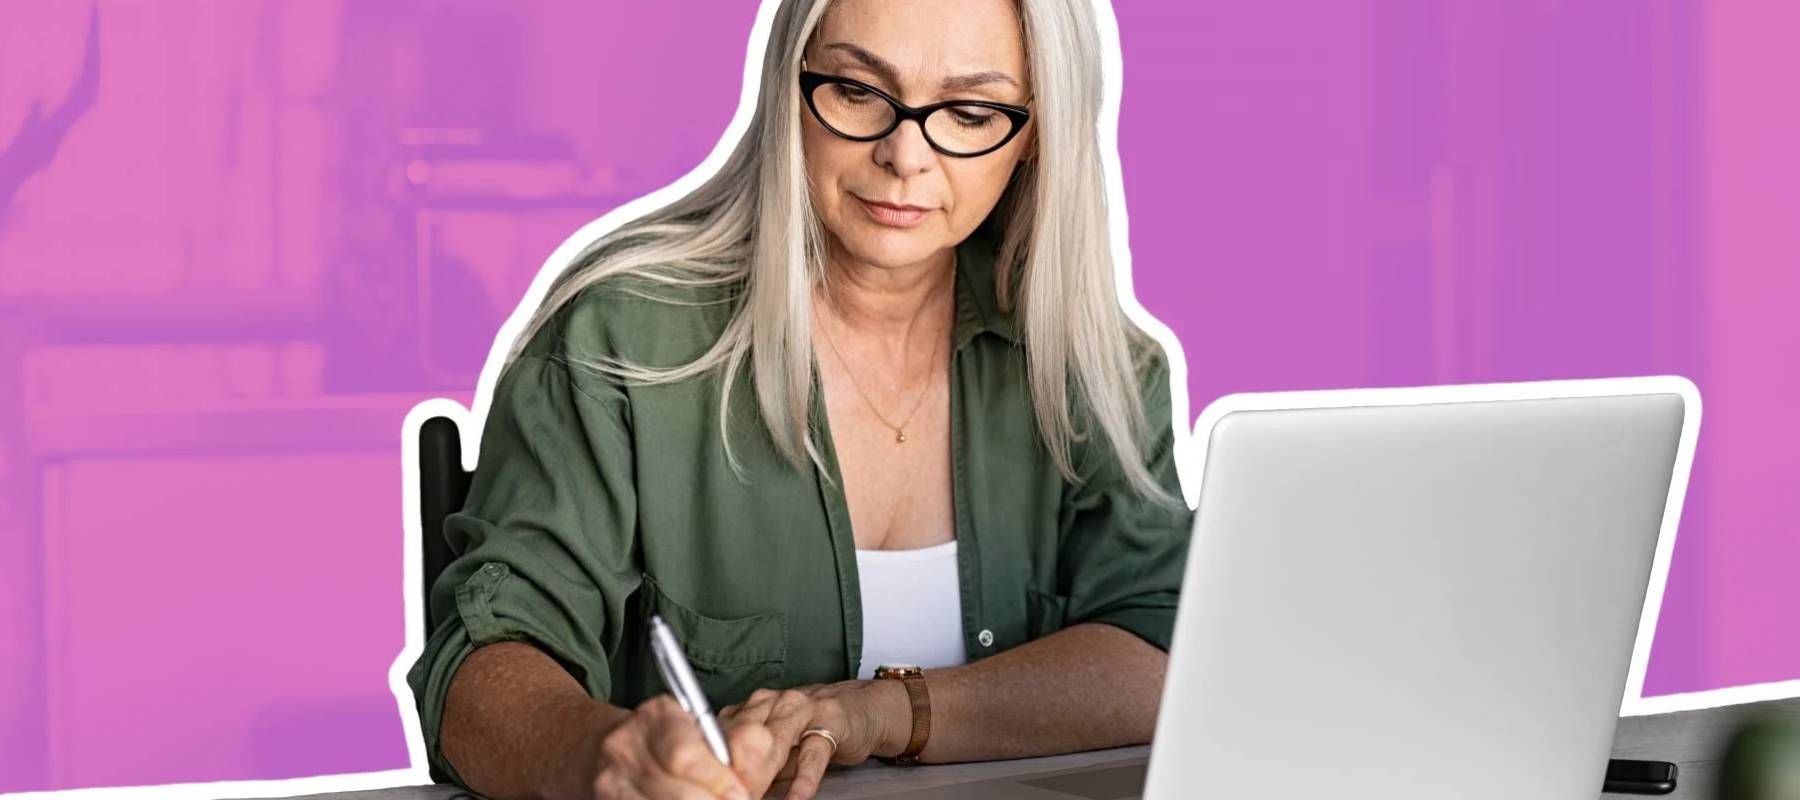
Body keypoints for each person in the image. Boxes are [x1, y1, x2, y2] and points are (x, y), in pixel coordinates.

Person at [405, 0, 1194, 797]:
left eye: (968, 112)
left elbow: (1167, 655)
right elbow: (479, 669)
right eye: (856, 90)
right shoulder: (617, 338)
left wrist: (882, 712)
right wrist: (601, 756)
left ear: (1034, 136)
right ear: (791, 84)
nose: (904, 155)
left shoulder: (1104, 372)